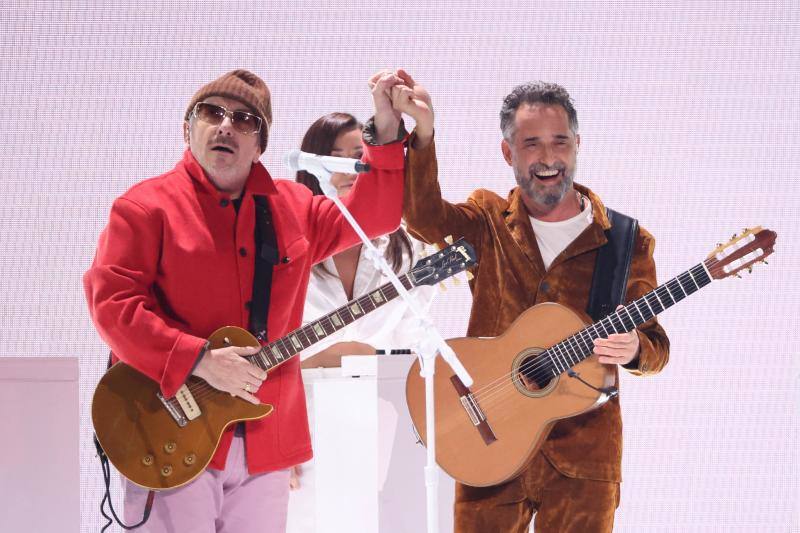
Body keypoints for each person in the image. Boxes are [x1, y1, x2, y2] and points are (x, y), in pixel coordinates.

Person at [83, 69, 407, 533]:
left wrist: (387, 129)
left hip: (265, 441)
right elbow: (112, 305)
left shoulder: (294, 208)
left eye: (244, 119)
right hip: (167, 427)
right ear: (187, 128)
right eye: (211, 113)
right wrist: (197, 360)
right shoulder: (144, 207)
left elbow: (374, 213)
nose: (226, 125)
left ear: (260, 144)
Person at [388, 70, 670, 532]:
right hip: (487, 442)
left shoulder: (625, 241)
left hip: (584, 456)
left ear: (577, 145)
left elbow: (656, 347)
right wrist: (423, 132)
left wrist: (637, 348)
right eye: (531, 143)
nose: (548, 158)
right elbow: (422, 216)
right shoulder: (486, 221)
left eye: (560, 142)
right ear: (508, 152)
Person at [286, 111, 436, 530]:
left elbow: (412, 355)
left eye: (360, 156)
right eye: (335, 158)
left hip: (380, 428)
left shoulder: (406, 255)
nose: (351, 169)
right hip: (302, 425)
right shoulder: (287, 249)